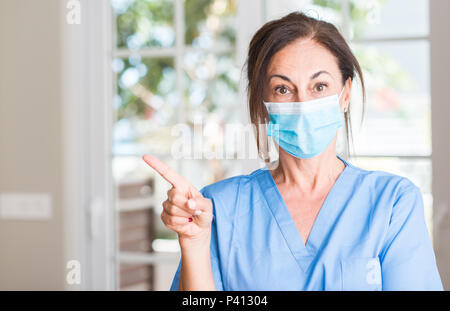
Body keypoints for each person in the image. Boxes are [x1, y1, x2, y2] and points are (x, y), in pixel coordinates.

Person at [143, 11, 443, 291]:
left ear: (345, 95)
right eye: (283, 89)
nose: (303, 105)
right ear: (264, 102)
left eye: (320, 86)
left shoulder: (392, 203)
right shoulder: (217, 207)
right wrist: (195, 243)